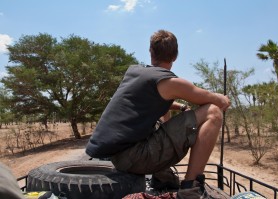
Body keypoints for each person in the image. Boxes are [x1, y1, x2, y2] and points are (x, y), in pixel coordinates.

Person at [86, 30, 230, 198]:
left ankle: (163, 178)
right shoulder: (171, 82)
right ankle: (190, 190)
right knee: (213, 112)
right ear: (175, 56)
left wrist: (181, 107)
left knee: (160, 119)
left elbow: (158, 102)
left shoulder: (135, 73)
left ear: (150, 52)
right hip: (136, 157)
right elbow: (218, 102)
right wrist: (224, 99)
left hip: (119, 157)